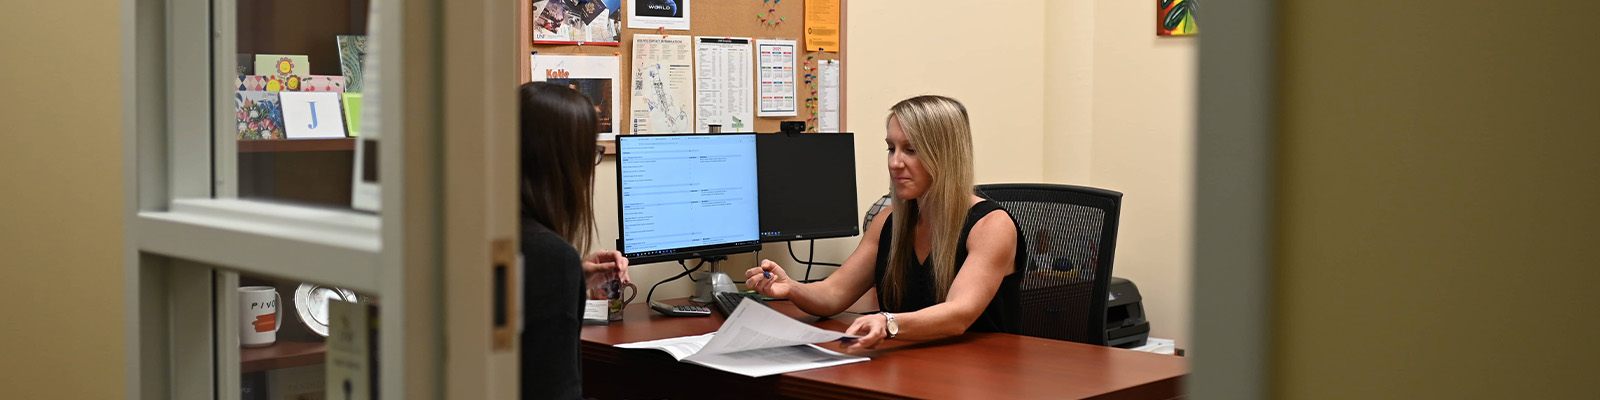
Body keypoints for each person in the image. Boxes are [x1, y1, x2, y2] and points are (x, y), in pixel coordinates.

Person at [745, 95, 1025, 353]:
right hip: (912, 363)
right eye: (891, 148)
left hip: (980, 373)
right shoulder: (888, 222)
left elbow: (958, 315)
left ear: (945, 155)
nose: (895, 162)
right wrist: (791, 287)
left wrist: (887, 321)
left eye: (911, 150)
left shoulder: (991, 225)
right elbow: (833, 294)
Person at [518, 81, 630, 399]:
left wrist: (576, 276)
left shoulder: (486, 231)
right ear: (565, 163)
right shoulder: (550, 255)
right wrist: (561, 271)